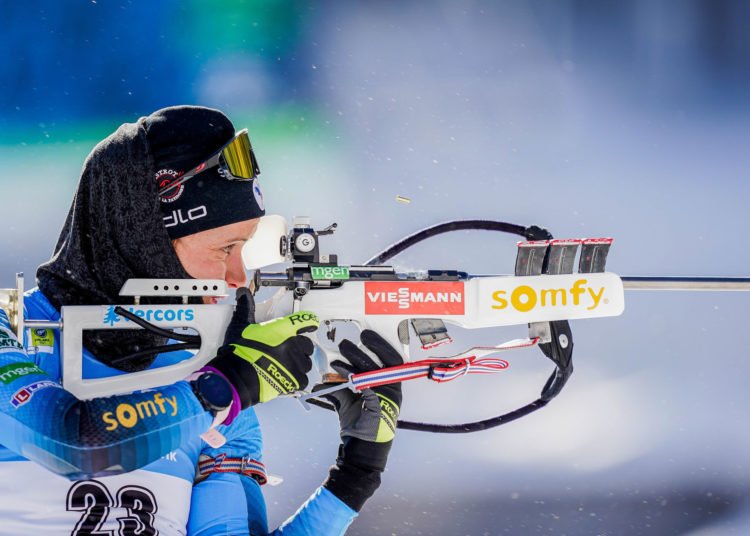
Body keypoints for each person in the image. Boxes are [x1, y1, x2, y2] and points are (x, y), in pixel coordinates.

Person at [0, 105, 403, 535]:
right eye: (224, 249)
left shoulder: (207, 375)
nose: (237, 277)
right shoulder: (13, 336)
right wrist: (227, 388)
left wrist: (354, 477)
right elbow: (76, 445)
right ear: (147, 239)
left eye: (244, 249)